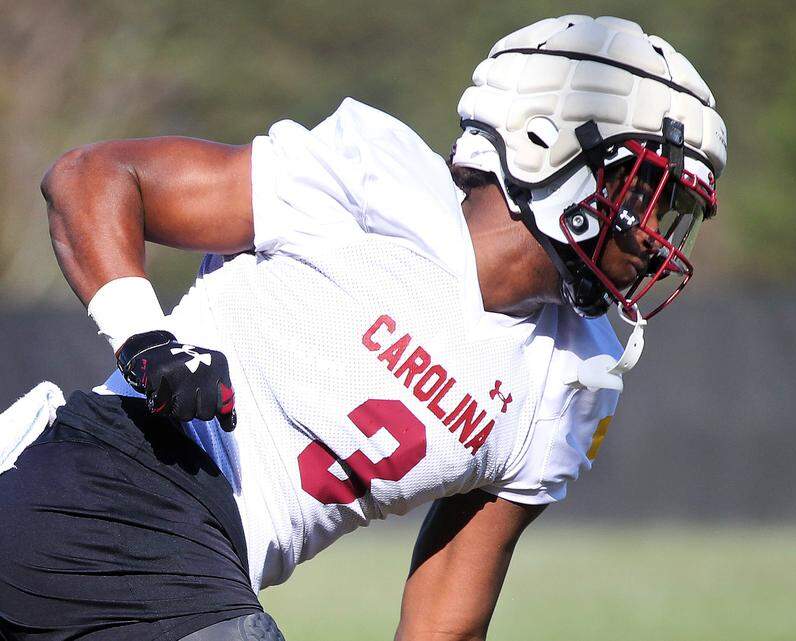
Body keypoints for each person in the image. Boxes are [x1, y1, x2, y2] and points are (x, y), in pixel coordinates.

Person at [0, 15, 726, 641]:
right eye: (647, 192)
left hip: (197, 561)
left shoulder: (575, 377)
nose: (657, 237)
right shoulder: (373, 179)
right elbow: (92, 176)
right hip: (105, 477)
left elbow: (444, 622)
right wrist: (144, 338)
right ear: (551, 143)